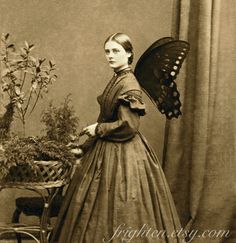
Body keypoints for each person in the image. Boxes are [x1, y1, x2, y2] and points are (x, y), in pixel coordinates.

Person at [50, 33, 185, 243]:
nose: (110, 56)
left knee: (124, 209)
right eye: (107, 51)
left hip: (125, 153)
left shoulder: (128, 83)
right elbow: (105, 117)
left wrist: (99, 129)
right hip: (105, 149)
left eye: (116, 51)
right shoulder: (118, 78)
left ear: (129, 53)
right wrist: (85, 147)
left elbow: (128, 126)